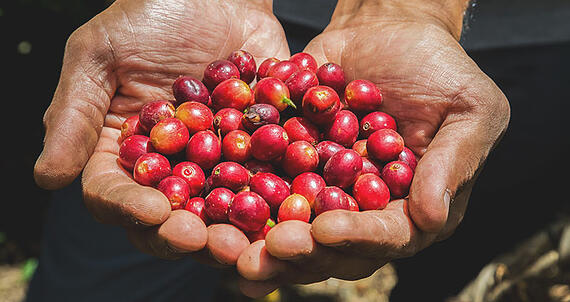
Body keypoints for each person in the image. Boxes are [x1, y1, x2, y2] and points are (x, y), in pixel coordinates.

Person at [30, 0, 511, 300]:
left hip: (529, 35)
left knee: (453, 247)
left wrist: (409, 8)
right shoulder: (226, 124)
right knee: (107, 271)